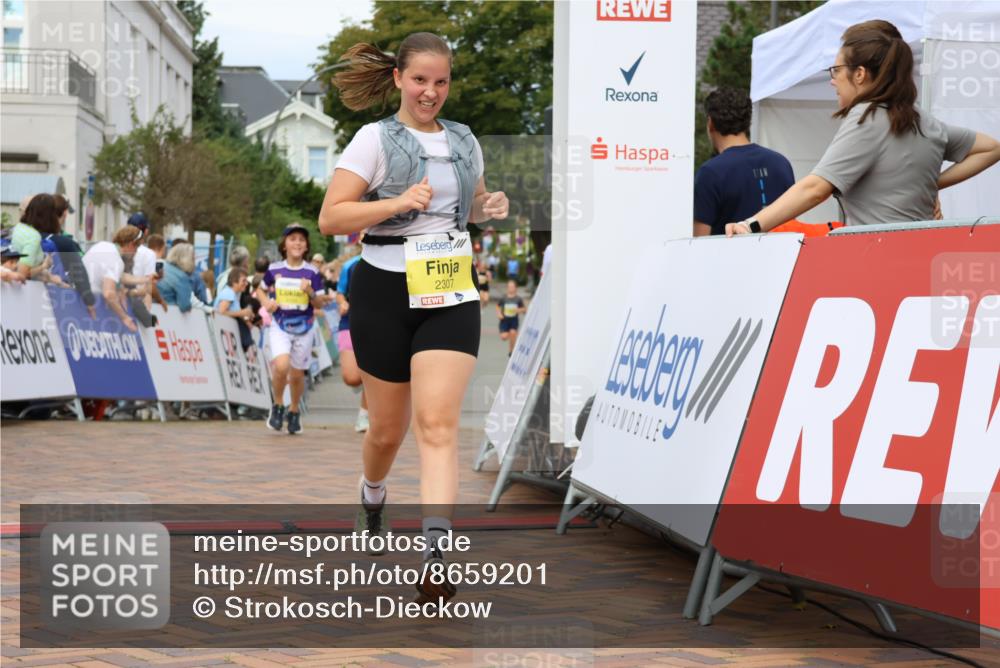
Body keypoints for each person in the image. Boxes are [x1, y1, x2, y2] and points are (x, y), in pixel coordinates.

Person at [318, 31, 509, 603]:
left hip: (448, 285)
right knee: (386, 430)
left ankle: (437, 551)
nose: (431, 92)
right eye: (421, 80)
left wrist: (488, 206)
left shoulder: (465, 140)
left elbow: (468, 206)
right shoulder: (373, 140)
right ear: (399, 78)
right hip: (382, 286)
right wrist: (396, 203)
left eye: (441, 81)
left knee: (438, 424)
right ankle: (372, 495)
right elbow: (331, 217)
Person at [727, 20, 1000, 236]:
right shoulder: (924, 121)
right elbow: (991, 148)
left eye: (836, 70)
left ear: (859, 74)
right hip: (923, 256)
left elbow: (815, 188)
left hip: (874, 260)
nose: (832, 80)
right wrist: (928, 183)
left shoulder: (866, 117)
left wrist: (752, 225)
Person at [694, 87, 795, 236]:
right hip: (783, 256)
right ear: (748, 121)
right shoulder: (781, 163)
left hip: (731, 258)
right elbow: (793, 224)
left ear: (710, 123)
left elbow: (700, 240)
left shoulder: (710, 173)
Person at [256, 224, 326, 436]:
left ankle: (294, 411)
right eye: (292, 239)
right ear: (284, 244)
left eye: (301, 240)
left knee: (297, 375)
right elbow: (259, 289)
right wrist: (267, 302)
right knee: (281, 365)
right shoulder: (274, 269)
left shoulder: (312, 272)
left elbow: (320, 304)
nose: (297, 243)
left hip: (304, 327)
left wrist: (310, 292)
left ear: (306, 247)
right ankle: (278, 405)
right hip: (280, 325)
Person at [81, 226, 143, 332]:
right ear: (131, 244)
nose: (136, 253)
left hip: (81, 296)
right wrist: (125, 318)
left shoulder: (103, 245)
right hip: (90, 308)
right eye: (137, 248)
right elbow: (108, 294)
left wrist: (144, 280)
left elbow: (118, 275)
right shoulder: (116, 260)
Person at [335, 249, 369, 433]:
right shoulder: (351, 265)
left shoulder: (395, 260)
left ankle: (364, 414)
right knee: (352, 377)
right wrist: (342, 303)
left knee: (372, 372)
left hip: (380, 324)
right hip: (350, 321)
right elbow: (340, 292)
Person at [157, 242, 197, 313]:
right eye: (193, 259)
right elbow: (184, 305)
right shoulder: (182, 277)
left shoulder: (161, 267)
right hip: (169, 315)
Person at [496, 280, 526, 356]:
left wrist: (519, 310)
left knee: (513, 333)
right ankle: (512, 334)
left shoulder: (518, 299)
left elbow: (524, 309)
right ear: (507, 288)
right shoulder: (504, 298)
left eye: (512, 287)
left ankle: (511, 351)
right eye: (509, 287)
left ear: (516, 288)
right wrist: (499, 313)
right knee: (504, 337)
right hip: (504, 320)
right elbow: (498, 306)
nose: (510, 288)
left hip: (513, 320)